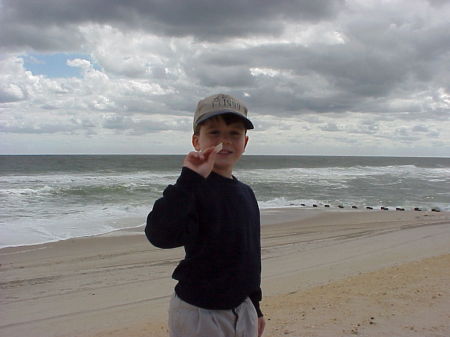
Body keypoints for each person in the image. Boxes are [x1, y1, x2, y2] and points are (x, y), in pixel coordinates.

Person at [146, 93, 265, 337]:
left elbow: (250, 255)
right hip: (199, 312)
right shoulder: (190, 190)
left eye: (234, 133)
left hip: (243, 308)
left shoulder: (246, 193)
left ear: (246, 141)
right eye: (214, 132)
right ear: (196, 140)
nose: (225, 140)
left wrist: (255, 304)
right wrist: (189, 179)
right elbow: (159, 235)